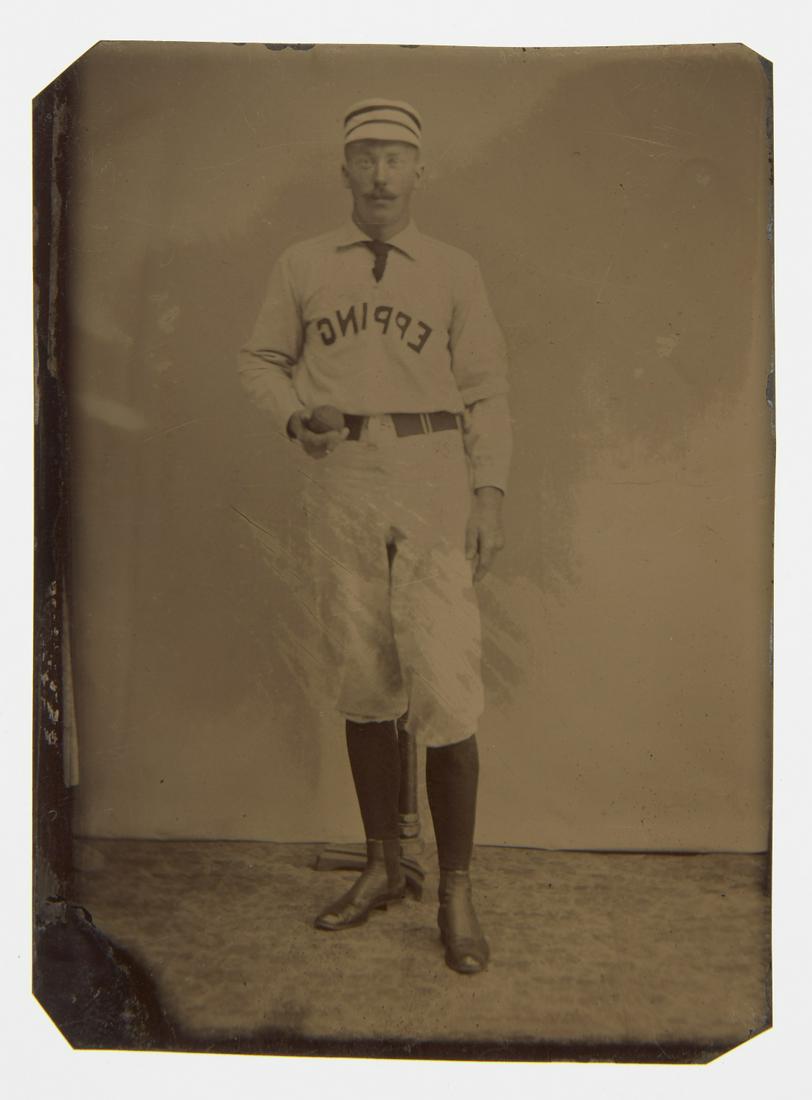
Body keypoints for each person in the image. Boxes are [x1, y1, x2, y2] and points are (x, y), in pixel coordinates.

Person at [239, 99, 511, 974]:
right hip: (343, 472)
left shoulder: (455, 269)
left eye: (397, 158)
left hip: (432, 471)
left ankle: (455, 891)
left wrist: (490, 492)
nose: (382, 174)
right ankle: (383, 865)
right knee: (364, 676)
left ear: (420, 171)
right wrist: (292, 419)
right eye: (366, 158)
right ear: (344, 171)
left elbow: (488, 391)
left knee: (445, 680)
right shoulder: (303, 262)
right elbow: (259, 360)